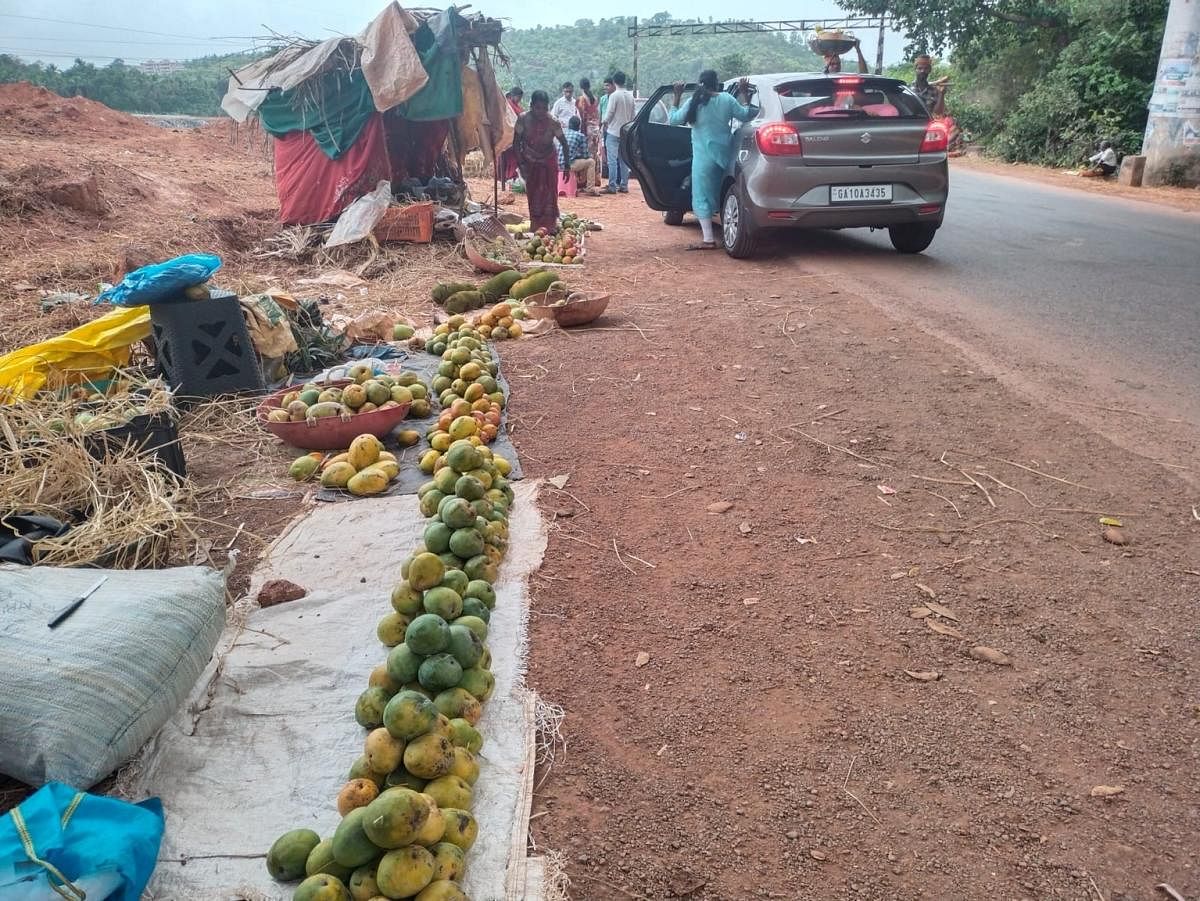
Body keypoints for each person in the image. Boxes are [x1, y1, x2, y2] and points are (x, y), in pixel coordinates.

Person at [669, 70, 756, 250]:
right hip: (726, 154)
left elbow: (674, 120)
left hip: (703, 158)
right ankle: (728, 230)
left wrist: (677, 96)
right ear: (717, 83)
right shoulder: (727, 99)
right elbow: (747, 115)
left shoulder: (694, 102)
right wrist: (745, 94)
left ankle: (708, 238)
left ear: (700, 83)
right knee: (724, 192)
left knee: (701, 196)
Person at [514, 90, 571, 232]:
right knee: (533, 193)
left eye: (545, 108)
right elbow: (516, 143)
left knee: (550, 192)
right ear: (531, 106)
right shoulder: (522, 119)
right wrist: (521, 164)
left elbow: (564, 143)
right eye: (538, 108)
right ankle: (536, 225)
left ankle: (550, 225)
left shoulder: (553, 122)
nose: (541, 112)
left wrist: (567, 166)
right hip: (530, 162)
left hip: (548, 161)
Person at [601, 71, 635, 193]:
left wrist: (604, 123)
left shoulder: (615, 96)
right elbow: (633, 116)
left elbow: (609, 113)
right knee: (623, 160)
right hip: (625, 132)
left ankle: (612, 186)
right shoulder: (630, 96)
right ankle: (624, 185)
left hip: (613, 132)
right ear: (624, 81)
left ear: (614, 82)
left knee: (612, 160)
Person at [559, 115, 599, 194]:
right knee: (591, 162)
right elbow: (585, 155)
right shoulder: (580, 135)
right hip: (568, 166)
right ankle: (590, 188)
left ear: (569, 124)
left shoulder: (563, 133)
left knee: (581, 161)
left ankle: (579, 184)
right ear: (579, 126)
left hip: (557, 164)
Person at [498, 87, 524, 189]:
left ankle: (510, 177)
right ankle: (507, 177)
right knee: (509, 157)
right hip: (508, 134)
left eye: (520, 98)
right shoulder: (507, 105)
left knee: (513, 157)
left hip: (516, 135)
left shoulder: (517, 107)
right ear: (513, 96)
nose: (519, 100)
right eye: (518, 97)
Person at [576, 77, 601, 176]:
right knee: (594, 154)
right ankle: (595, 178)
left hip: (586, 129)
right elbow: (597, 114)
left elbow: (581, 117)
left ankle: (585, 179)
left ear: (581, 87)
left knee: (585, 154)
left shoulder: (581, 99)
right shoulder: (595, 98)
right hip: (595, 129)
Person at [598, 76, 615, 182]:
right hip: (605, 129)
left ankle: (614, 179)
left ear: (613, 85)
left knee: (613, 154)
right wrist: (600, 127)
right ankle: (608, 174)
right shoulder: (603, 99)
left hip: (614, 128)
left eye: (608, 85)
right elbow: (600, 114)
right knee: (605, 151)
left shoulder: (615, 98)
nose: (606, 88)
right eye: (605, 86)